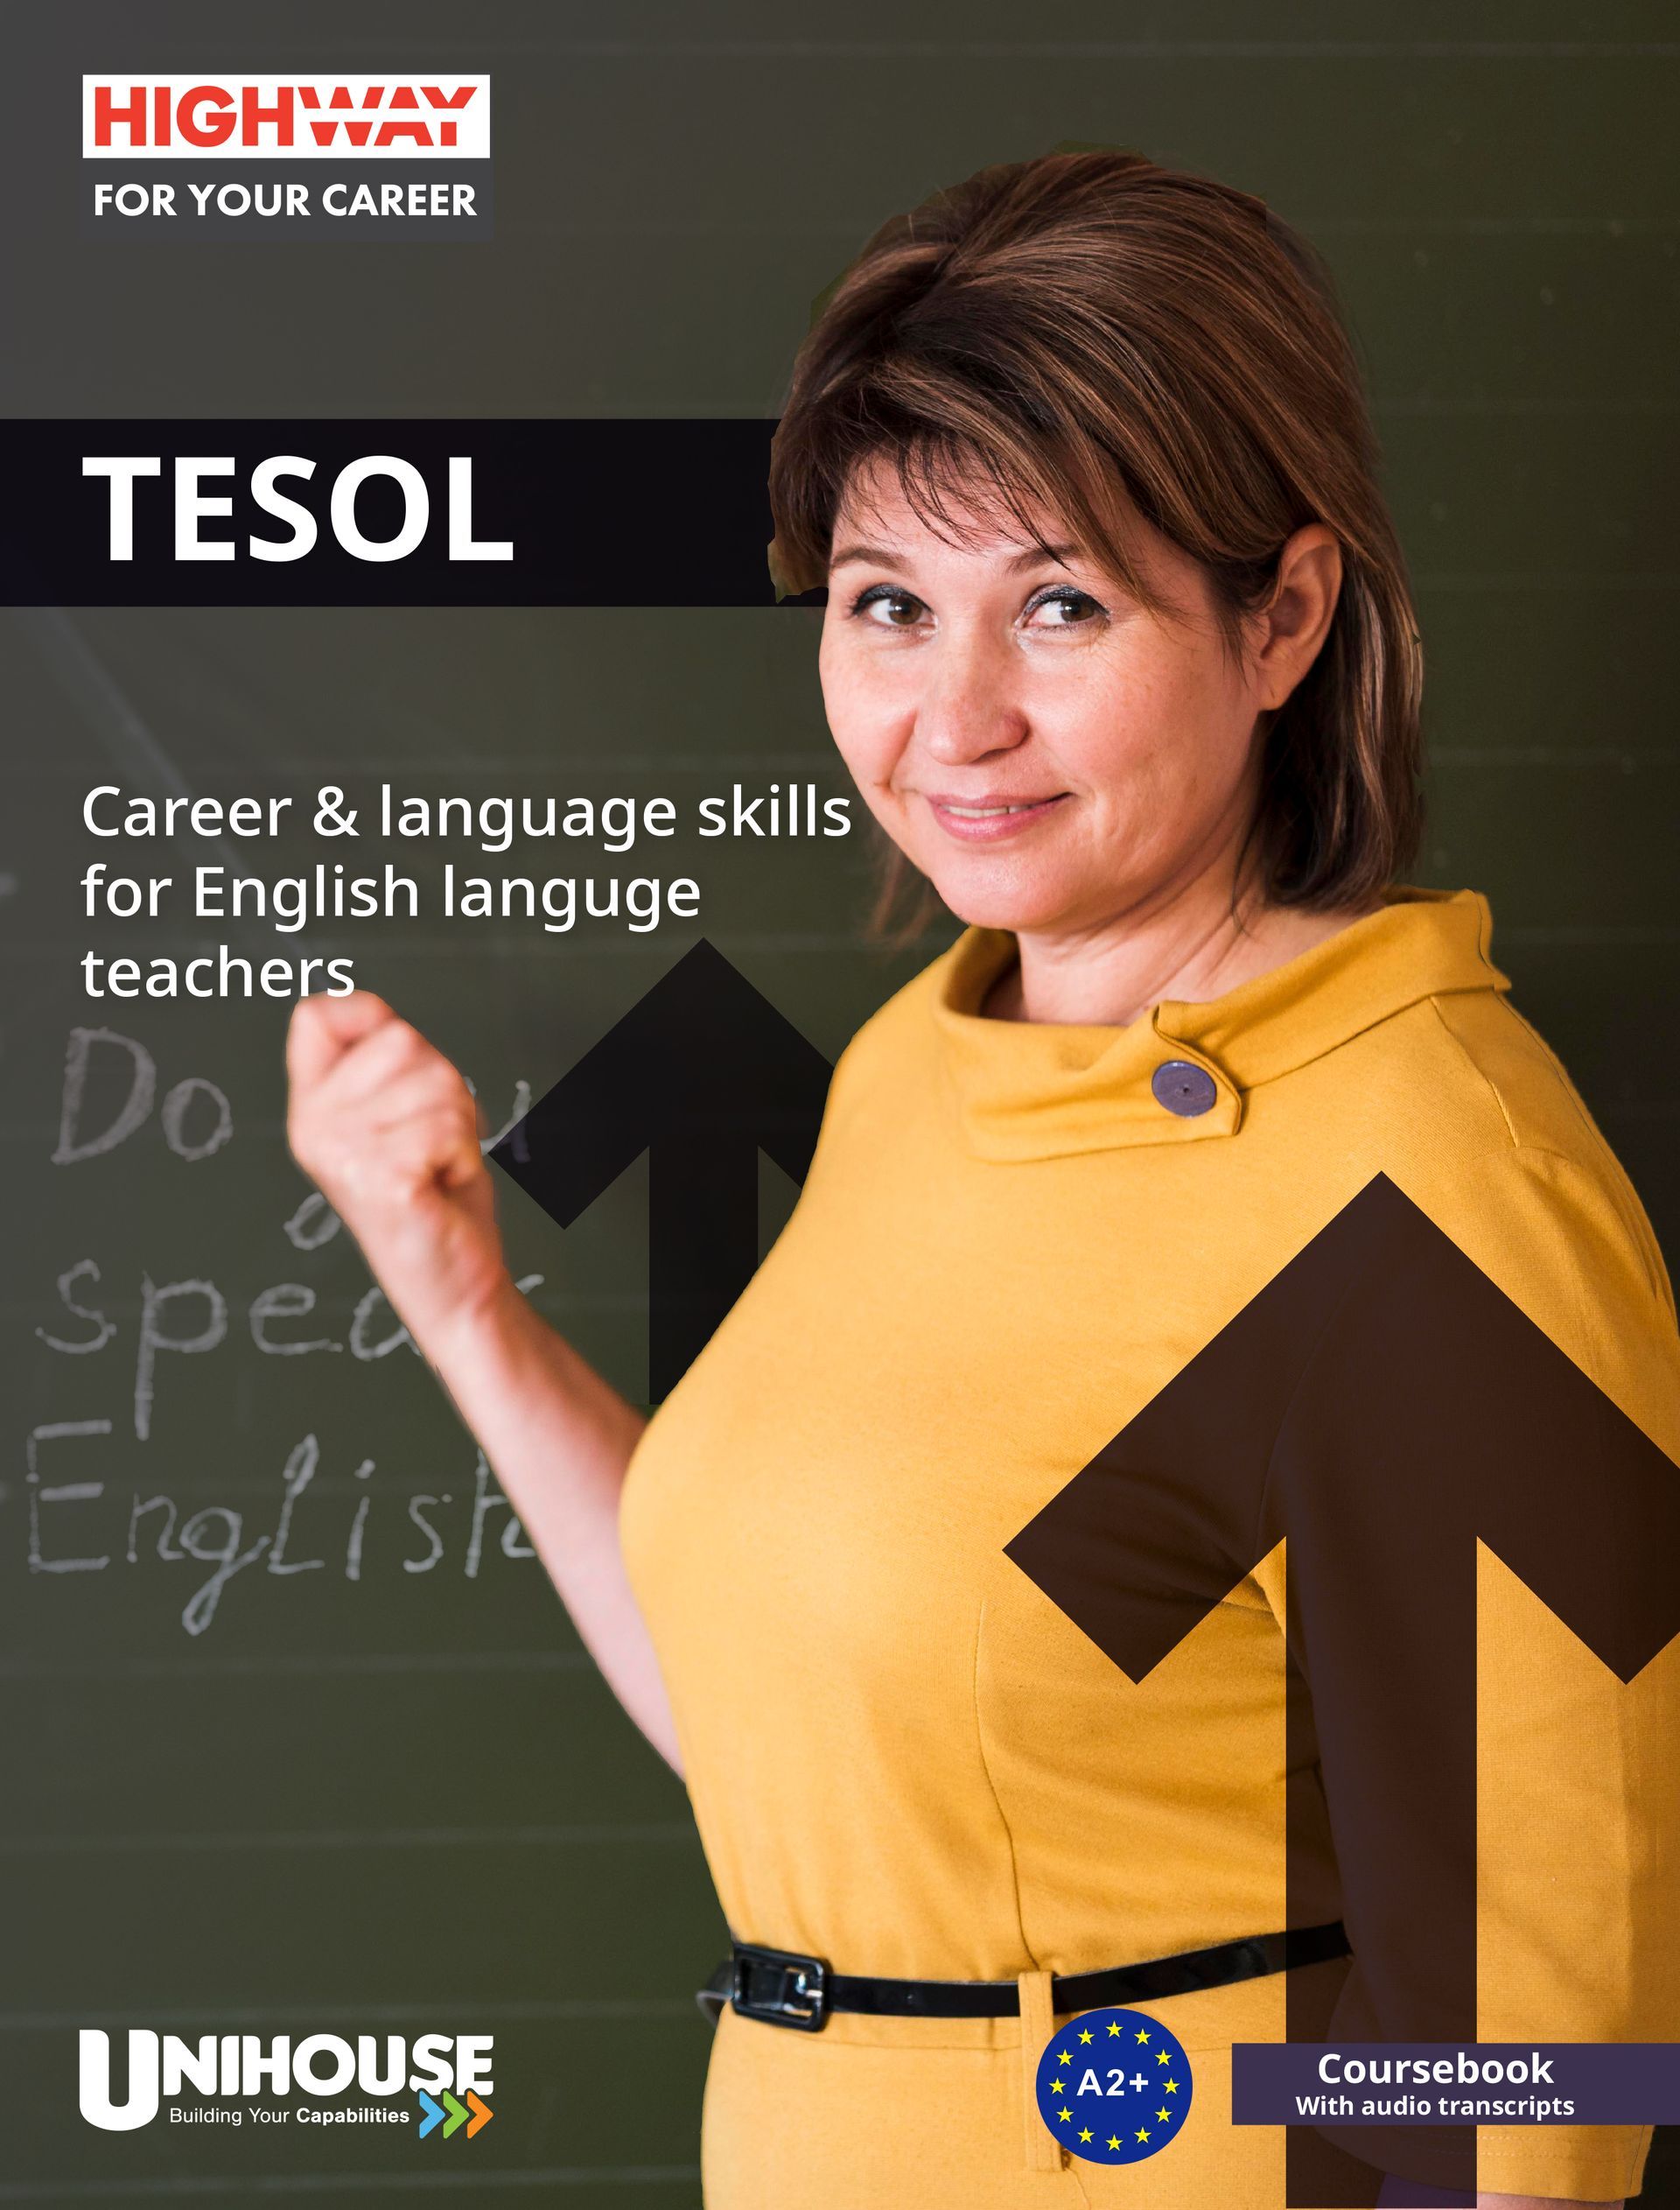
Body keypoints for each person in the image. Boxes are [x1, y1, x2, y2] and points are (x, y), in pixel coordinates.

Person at [286, 151, 1680, 2208]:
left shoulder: (1433, 1174)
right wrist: (457, 1296)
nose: (954, 720)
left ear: (1282, 616)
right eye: (886, 606)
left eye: (1059, 603)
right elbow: (806, 1744)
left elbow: (1532, 2069)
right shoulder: (928, 1065)